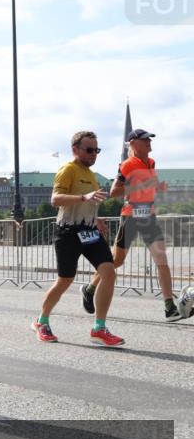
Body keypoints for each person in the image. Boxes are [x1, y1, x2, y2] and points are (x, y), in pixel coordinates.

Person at [32, 131, 125, 346]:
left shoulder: (91, 174)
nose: (94, 154)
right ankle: (41, 320)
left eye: (96, 150)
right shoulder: (68, 170)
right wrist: (84, 197)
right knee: (65, 280)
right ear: (75, 149)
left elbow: (87, 203)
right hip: (68, 232)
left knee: (108, 272)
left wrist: (97, 217)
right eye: (89, 150)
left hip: (89, 230)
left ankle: (99, 328)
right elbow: (55, 199)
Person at [82, 129, 182, 322]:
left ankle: (169, 307)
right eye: (145, 140)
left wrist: (158, 187)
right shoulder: (127, 165)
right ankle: (90, 288)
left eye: (149, 139)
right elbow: (114, 192)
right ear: (133, 143)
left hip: (149, 216)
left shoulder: (151, 162)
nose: (149, 142)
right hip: (131, 216)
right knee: (116, 261)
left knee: (162, 261)